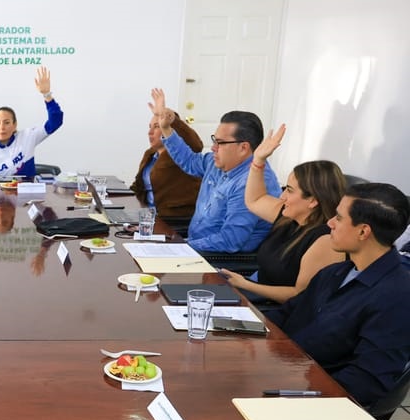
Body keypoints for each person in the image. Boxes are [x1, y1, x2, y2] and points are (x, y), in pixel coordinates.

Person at [266, 182, 410, 409]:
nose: (329, 223)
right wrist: (238, 332)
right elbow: (286, 313)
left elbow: (366, 380)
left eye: (339, 218)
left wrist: (295, 393)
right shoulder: (335, 272)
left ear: (363, 232)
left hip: (314, 399)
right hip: (282, 370)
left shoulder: (397, 295)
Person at [219, 124, 347, 303]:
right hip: (253, 290)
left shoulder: (325, 240)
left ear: (313, 200)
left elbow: (300, 297)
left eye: (290, 190)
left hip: (272, 307)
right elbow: (255, 200)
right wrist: (258, 160)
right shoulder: (290, 216)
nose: (282, 196)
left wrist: (246, 285)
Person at [149, 88, 279, 252]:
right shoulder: (216, 161)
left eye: (220, 143)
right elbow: (190, 161)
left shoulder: (251, 183)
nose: (213, 148)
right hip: (194, 247)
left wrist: (180, 248)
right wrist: (166, 129)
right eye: (214, 140)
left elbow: (230, 240)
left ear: (243, 148)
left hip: (219, 259)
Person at [0, 67, 63, 179]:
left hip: (28, 189)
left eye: (6, 122)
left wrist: (47, 95)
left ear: (14, 125)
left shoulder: (28, 137)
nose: (2, 127)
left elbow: (55, 122)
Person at [131, 111, 203, 220]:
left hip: (173, 218)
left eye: (156, 127)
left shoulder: (179, 154)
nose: (150, 132)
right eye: (150, 127)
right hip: (148, 215)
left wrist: (173, 120)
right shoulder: (150, 154)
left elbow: (196, 145)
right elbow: (138, 186)